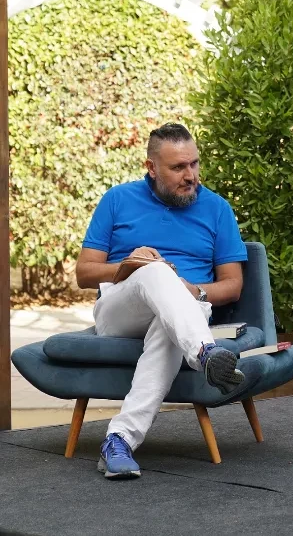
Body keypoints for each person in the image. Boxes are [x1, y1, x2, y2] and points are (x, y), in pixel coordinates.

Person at [76, 123, 248, 480]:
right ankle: (204, 352)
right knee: (155, 270)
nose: (191, 176)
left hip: (186, 311)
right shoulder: (117, 200)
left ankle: (119, 440)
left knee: (173, 321)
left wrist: (192, 291)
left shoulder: (217, 208)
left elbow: (233, 286)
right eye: (178, 167)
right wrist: (127, 266)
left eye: (194, 164)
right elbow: (84, 274)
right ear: (152, 168)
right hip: (121, 310)